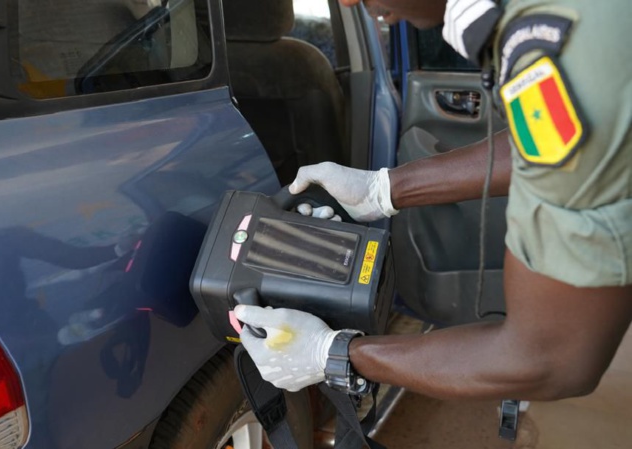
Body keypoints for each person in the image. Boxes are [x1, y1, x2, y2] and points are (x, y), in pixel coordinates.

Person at [235, 0, 632, 402]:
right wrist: (382, 189)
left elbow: (552, 358)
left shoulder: (557, 43)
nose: (350, 2)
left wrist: (333, 353)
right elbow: (552, 143)